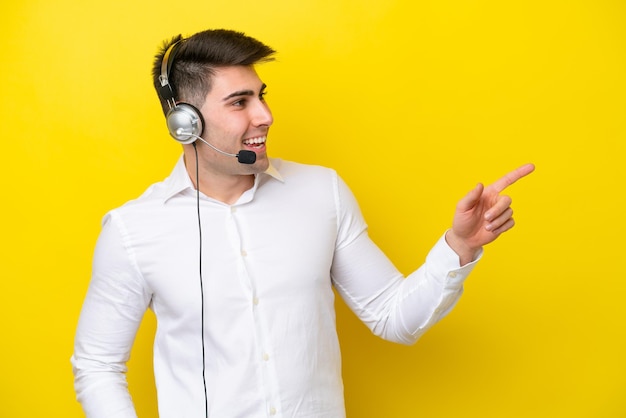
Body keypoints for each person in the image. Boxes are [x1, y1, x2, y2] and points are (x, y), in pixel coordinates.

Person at [71, 29, 534, 418]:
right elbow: (97, 365)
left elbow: (394, 318)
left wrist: (458, 246)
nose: (265, 116)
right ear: (186, 123)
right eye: (240, 102)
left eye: (262, 96)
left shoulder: (321, 192)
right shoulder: (132, 230)